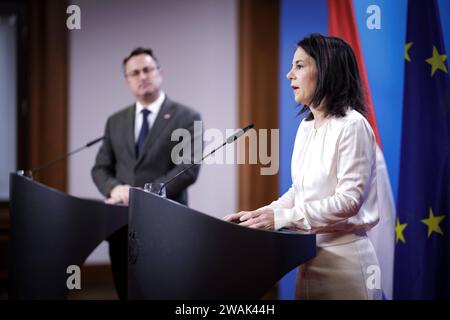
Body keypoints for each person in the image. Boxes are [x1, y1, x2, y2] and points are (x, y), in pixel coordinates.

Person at [224, 34, 381, 300]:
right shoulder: (306, 127)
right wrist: (260, 216)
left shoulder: (352, 126)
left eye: (299, 66)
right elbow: (300, 191)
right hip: (308, 259)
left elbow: (349, 201)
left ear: (326, 69)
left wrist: (282, 219)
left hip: (347, 265)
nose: (289, 75)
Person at [92, 47, 202, 299]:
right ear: (127, 80)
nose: (142, 76)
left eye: (147, 69)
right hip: (120, 224)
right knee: (126, 292)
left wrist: (141, 195)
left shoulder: (186, 116)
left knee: (165, 292)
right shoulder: (115, 120)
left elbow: (188, 168)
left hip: (166, 223)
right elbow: (100, 167)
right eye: (134, 73)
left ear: (159, 73)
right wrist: (113, 188)